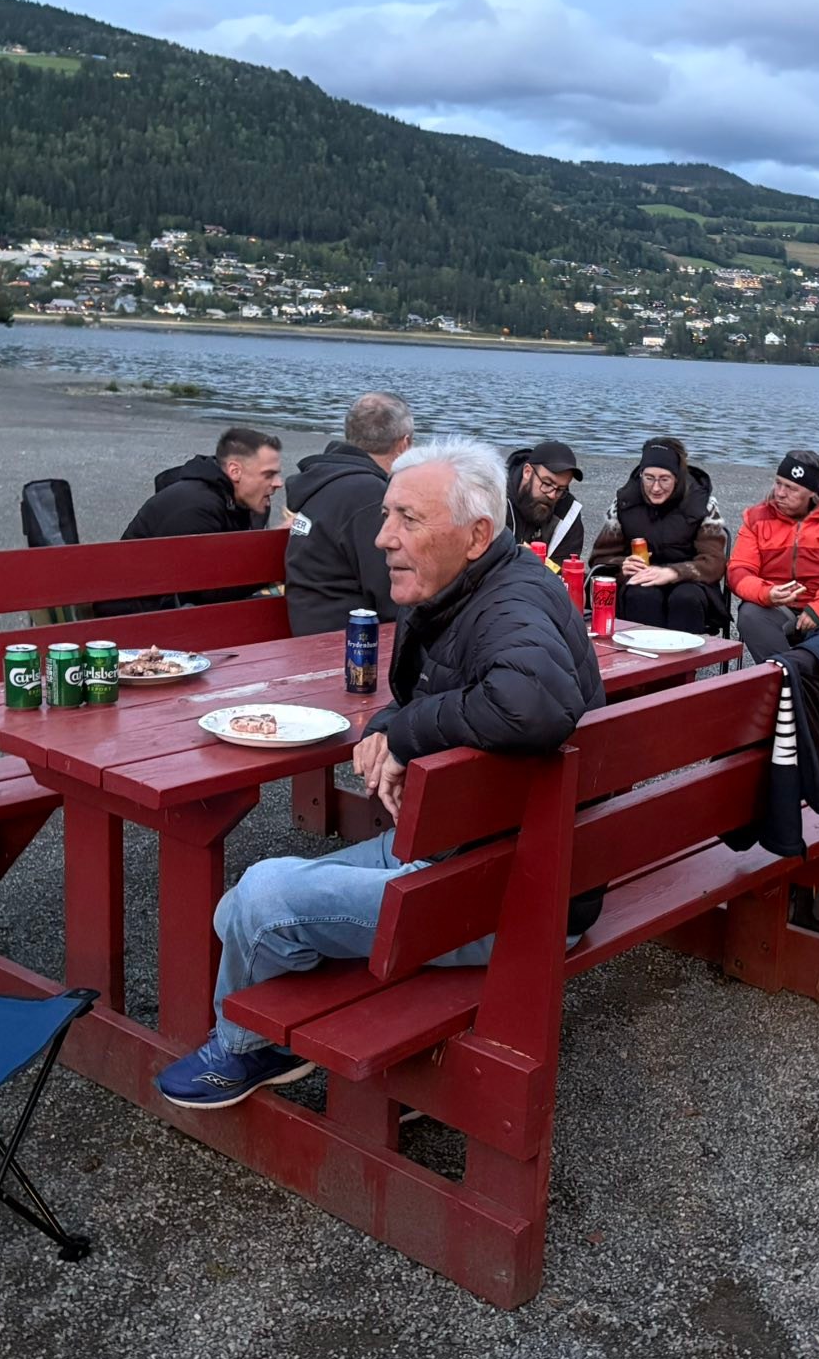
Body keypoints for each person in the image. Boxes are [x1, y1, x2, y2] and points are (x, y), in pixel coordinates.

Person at [157, 437, 606, 1108]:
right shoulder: (474, 589)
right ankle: (300, 1021)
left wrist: (405, 733)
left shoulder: (512, 607)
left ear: (477, 535)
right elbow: (437, 690)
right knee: (238, 909)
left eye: (408, 520)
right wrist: (387, 727)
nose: (383, 537)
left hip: (520, 898)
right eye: (386, 514)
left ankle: (251, 1045)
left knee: (260, 903)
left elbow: (529, 702)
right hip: (494, 854)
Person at [94, 426, 283, 616]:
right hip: (136, 617)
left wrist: (281, 540)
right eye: (268, 475)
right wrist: (278, 557)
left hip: (177, 607)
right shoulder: (195, 506)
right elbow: (209, 590)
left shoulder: (244, 503)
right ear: (235, 471)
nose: (279, 483)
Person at [283, 390, 415, 634]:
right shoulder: (369, 494)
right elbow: (392, 592)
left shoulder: (325, 480)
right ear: (403, 445)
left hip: (312, 625)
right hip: (349, 637)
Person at [727, 450, 819, 663]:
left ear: (812, 493)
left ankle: (806, 678)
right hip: (776, 607)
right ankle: (786, 676)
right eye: (778, 483)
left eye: (791, 488)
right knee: (750, 614)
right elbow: (738, 571)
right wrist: (766, 593)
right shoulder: (756, 518)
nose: (780, 493)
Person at [587, 436, 729, 634]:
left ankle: (684, 654)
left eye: (664, 479)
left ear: (677, 477)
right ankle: (640, 653)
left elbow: (714, 562)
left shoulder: (703, 504)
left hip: (690, 582)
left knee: (684, 598)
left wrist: (674, 572)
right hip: (640, 580)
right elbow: (599, 559)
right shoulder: (624, 503)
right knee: (642, 594)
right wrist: (622, 564)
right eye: (649, 478)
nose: (655, 487)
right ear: (641, 474)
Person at [504, 440, 588, 561]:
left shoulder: (568, 514)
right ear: (527, 472)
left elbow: (562, 567)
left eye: (561, 489)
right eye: (547, 484)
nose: (552, 495)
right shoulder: (492, 498)